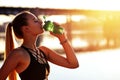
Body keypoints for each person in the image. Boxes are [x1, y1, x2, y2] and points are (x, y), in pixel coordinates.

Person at [0, 11, 79, 80]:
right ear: (26, 29)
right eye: (36, 21)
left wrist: (62, 38)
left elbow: (73, 64)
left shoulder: (43, 51)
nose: (41, 22)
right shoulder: (18, 54)